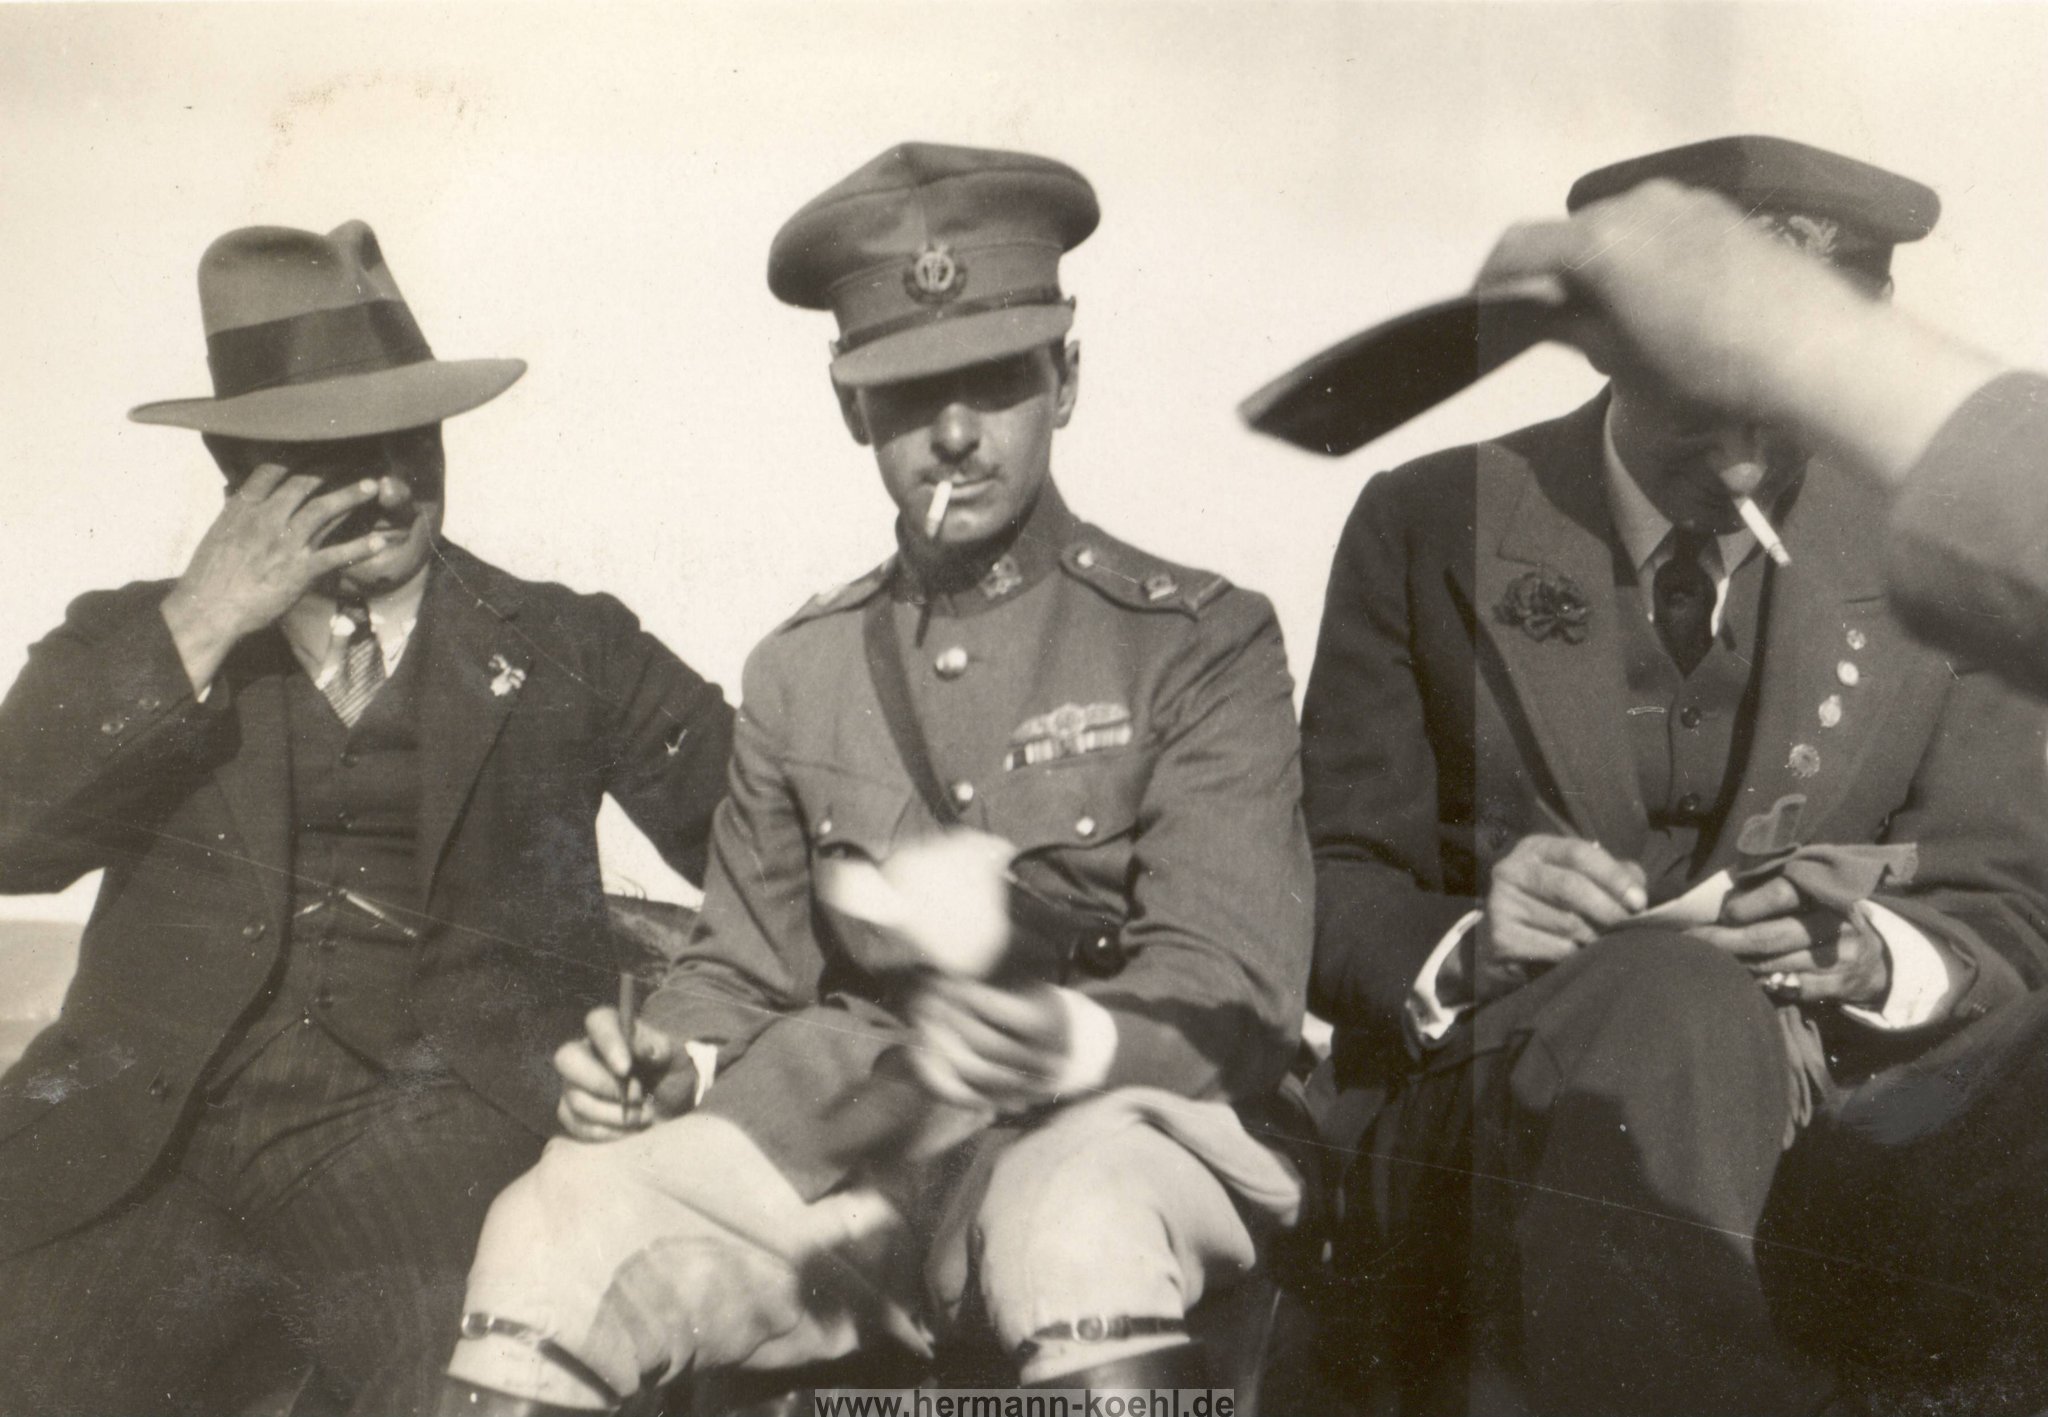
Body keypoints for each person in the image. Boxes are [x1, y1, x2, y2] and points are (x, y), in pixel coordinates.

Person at [439, 142, 1313, 1415]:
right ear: (852, 410)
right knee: (552, 1219)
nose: (952, 434)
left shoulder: (1197, 641)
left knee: (1072, 1227)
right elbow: (740, 968)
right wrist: (669, 1061)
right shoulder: (801, 668)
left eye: (995, 380)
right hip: (855, 1149)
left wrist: (1058, 1038)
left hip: (1126, 1123)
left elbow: (1231, 985)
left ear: (1064, 379)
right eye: (906, 393)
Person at [1300, 136, 2048, 1415]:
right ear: (1602, 348)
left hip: (1844, 1135)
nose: (1744, 456)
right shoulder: (1429, 521)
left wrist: (1874, 957)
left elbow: (2008, 903)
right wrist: (1471, 942)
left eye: (1783, 400)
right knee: (1669, 995)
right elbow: (1327, 877)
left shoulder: (1934, 564)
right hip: (1494, 1121)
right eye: (1700, 395)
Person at [0, 221, 735, 1416]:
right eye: (341, 455)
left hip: (430, 1157)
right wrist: (202, 620)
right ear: (242, 470)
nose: (391, 487)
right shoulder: (129, 639)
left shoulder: (571, 645)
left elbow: (765, 853)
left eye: (413, 442)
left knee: (475, 1381)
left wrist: (686, 1049)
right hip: (133, 1154)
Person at [1474, 172, 2048, 700]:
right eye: (1700, 402)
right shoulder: (1443, 519)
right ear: (1601, 342)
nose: (1743, 473)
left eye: (1788, 412)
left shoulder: (1952, 582)